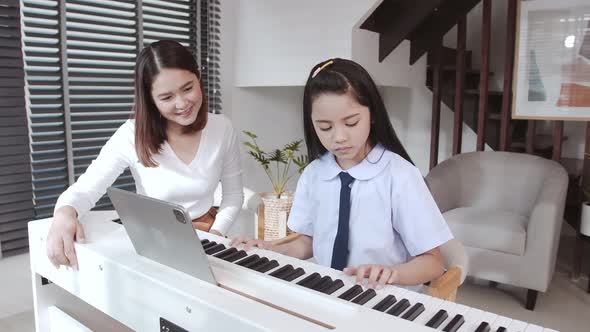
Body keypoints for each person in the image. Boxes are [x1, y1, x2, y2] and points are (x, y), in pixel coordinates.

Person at [231, 58, 452, 292]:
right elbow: (307, 242)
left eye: (351, 122)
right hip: (331, 294)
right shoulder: (314, 174)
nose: (339, 137)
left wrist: (393, 273)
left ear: (373, 114)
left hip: (388, 299)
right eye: (325, 127)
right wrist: (269, 250)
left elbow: (433, 263)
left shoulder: (400, 176)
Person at [47, 40, 244, 270]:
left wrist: (216, 237)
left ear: (198, 77)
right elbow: (85, 189)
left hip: (209, 235)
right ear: (150, 99)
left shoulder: (222, 128)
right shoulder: (130, 135)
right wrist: (63, 216)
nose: (182, 103)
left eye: (188, 88)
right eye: (167, 97)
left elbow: (233, 196)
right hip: (155, 242)